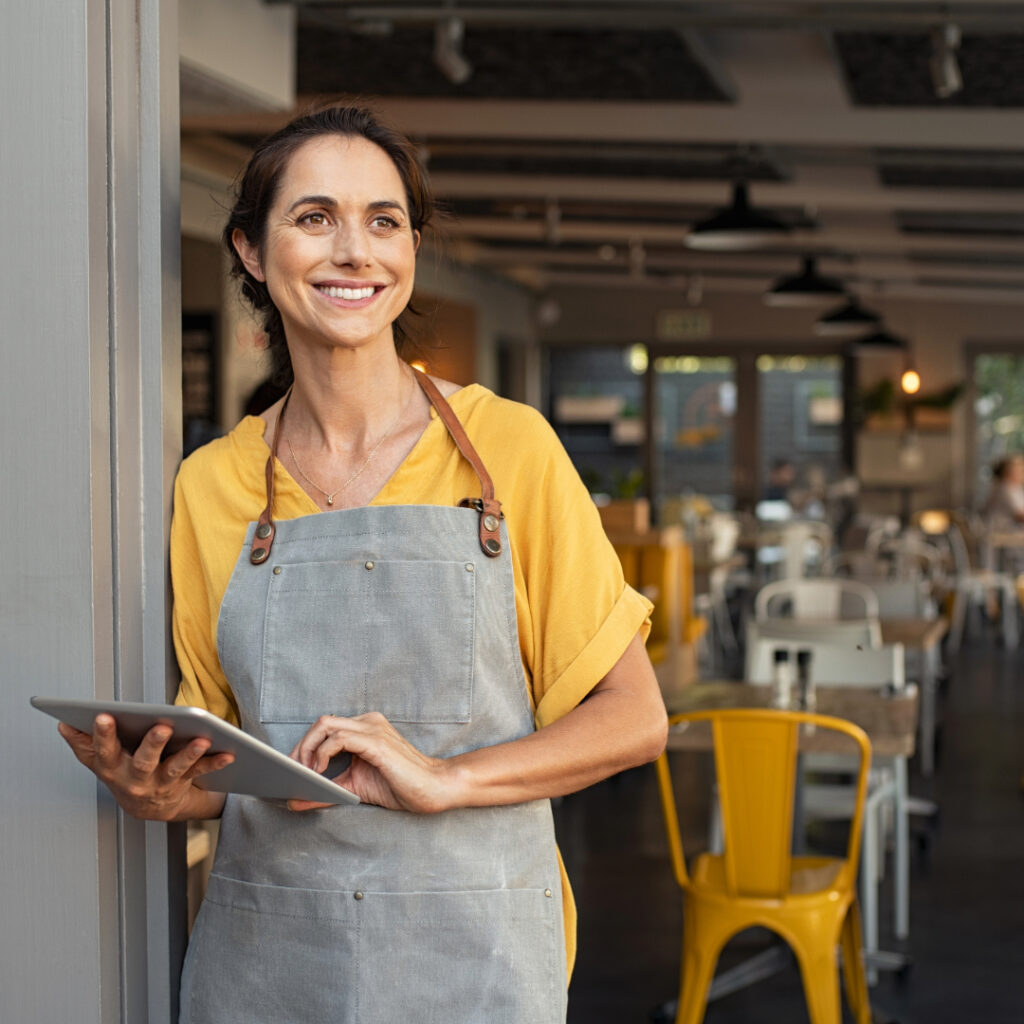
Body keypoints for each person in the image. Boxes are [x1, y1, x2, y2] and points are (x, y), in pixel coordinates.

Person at [56, 105, 668, 1024]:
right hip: (269, 963)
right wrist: (165, 795)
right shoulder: (212, 485)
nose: (356, 251)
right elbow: (222, 761)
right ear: (253, 253)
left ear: (411, 248)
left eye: (384, 221)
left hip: (478, 962)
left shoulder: (509, 451)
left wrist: (448, 779)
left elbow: (635, 719)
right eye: (314, 218)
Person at [983, 454, 1024, 527]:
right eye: (1019, 471)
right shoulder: (1004, 488)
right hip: (999, 531)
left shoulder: (1016, 487)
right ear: (1007, 472)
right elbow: (1020, 516)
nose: (1022, 474)